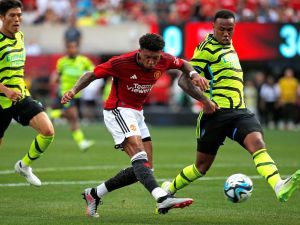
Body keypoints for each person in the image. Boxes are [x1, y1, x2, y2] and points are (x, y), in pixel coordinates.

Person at [61, 33, 213, 217]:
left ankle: (94, 194)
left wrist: (193, 74)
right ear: (140, 52)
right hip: (117, 110)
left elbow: (182, 63)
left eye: (155, 58)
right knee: (139, 157)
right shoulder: (121, 62)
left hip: (137, 113)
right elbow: (91, 74)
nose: (151, 62)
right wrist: (73, 90)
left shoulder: (164, 59)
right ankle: (162, 198)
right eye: (147, 57)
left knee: (144, 168)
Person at [161, 9, 300, 203]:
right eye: (222, 30)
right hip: (216, 114)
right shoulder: (206, 49)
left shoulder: (230, 42)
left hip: (240, 112)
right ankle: (169, 189)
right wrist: (205, 101)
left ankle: (278, 186)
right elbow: (183, 81)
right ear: (213, 27)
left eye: (230, 30)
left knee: (258, 144)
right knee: (201, 167)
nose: (226, 34)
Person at [0, 0, 54, 187]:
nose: (17, 19)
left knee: (48, 131)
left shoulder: (21, 37)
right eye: (12, 15)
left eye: (19, 15)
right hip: (1, 100)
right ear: (2, 17)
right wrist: (5, 90)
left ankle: (24, 165)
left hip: (21, 97)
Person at [49, 40, 94, 151]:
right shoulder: (62, 62)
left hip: (79, 94)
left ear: (77, 49)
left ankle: (52, 113)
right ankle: (82, 142)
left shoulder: (83, 61)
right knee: (73, 117)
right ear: (67, 49)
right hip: (66, 93)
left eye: (74, 47)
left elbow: (93, 71)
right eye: (70, 47)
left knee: (73, 118)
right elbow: (58, 75)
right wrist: (55, 79)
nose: (72, 49)